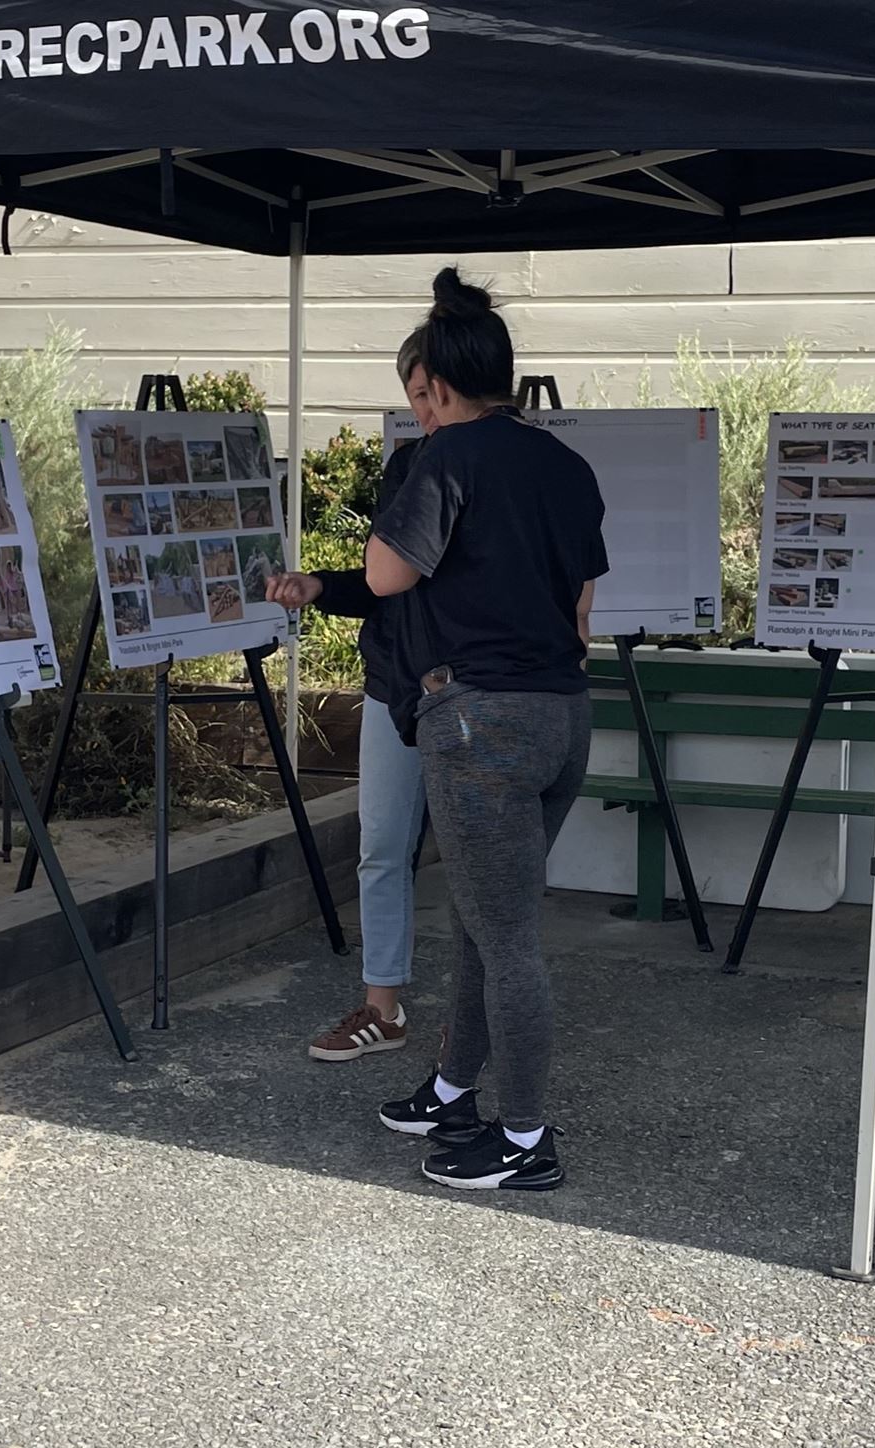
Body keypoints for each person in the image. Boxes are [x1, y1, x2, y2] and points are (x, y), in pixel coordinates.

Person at [359, 267, 606, 1190]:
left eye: (422, 391)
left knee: (506, 941)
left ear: (441, 382)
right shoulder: (566, 465)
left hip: (479, 725)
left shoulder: (449, 458)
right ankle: (454, 1087)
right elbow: (582, 607)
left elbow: (385, 576)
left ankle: (527, 1137)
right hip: (563, 716)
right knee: (486, 913)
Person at [269, 330, 443, 1062]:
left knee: (479, 862)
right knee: (382, 846)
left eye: (433, 392)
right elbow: (384, 583)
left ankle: (486, 1017)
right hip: (392, 687)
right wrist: (319, 586)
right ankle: (383, 1007)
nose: (426, 408)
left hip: (474, 695)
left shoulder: (503, 468)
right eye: (415, 395)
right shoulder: (408, 465)